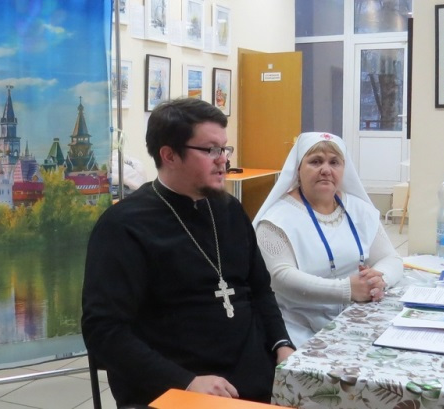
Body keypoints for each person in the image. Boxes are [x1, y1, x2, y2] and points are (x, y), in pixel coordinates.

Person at [82, 98, 294, 406]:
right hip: (177, 386)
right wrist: (185, 382)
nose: (223, 160)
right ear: (169, 155)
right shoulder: (123, 226)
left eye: (225, 149)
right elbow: (103, 331)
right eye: (210, 150)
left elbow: (261, 290)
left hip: (253, 377)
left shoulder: (230, 210)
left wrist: (282, 344)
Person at [252, 132, 403, 347]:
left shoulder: (359, 210)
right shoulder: (276, 220)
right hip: (300, 328)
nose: (326, 169)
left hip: (355, 319)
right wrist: (347, 290)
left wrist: (380, 279)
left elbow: (391, 258)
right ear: (298, 169)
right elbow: (281, 278)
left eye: (334, 162)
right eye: (315, 161)